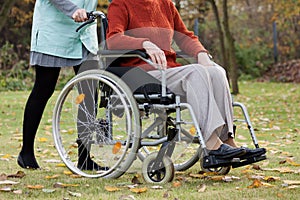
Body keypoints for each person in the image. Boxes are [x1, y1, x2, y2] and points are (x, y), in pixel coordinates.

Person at [106, 0, 266, 162]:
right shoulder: (121, 4)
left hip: (169, 71)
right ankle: (212, 145)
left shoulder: (165, 4)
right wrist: (144, 43)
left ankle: (226, 140)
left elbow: (185, 36)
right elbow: (113, 40)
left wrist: (201, 53)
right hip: (142, 73)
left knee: (216, 72)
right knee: (195, 72)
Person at [17, 0, 107, 170]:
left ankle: (84, 157)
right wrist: (73, 9)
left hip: (84, 29)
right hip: (54, 28)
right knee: (44, 88)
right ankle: (26, 152)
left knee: (89, 92)